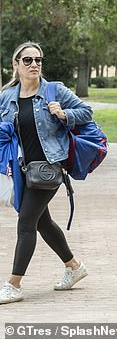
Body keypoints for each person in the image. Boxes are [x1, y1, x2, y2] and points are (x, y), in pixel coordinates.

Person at [0, 42, 93, 304]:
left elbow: (87, 111)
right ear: (16, 65)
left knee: (26, 222)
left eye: (38, 60)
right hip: (21, 170)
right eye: (27, 60)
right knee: (42, 222)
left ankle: (14, 284)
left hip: (48, 169)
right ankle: (74, 267)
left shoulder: (54, 90)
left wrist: (64, 113)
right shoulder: (7, 96)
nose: (34, 65)